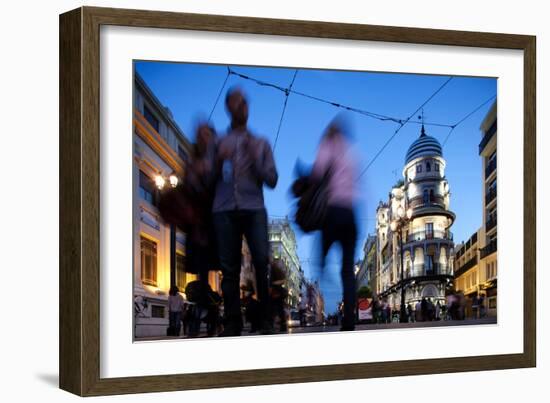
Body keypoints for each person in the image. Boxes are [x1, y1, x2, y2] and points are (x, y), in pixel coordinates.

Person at [212, 88, 278, 337]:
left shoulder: (261, 144)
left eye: (243, 103)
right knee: (229, 269)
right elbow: (206, 177)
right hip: (223, 209)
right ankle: (232, 322)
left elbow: (272, 179)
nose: (240, 108)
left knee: (261, 262)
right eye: (235, 104)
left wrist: (255, 160)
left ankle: (265, 320)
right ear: (228, 108)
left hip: (254, 209)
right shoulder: (219, 143)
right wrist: (217, 162)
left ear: (248, 108)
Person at [311, 118, 358, 331]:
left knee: (321, 252)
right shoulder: (351, 152)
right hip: (350, 213)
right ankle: (349, 321)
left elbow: (317, 176)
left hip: (332, 212)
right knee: (348, 272)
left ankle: (321, 267)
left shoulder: (326, 147)